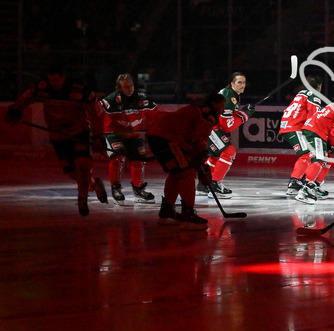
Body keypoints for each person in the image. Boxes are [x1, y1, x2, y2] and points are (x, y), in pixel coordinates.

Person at [5, 65, 108, 216]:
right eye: (51, 80)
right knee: (73, 173)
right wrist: (16, 109)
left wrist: (99, 135)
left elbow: (95, 110)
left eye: (56, 80)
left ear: (63, 77)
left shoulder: (79, 89)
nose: (54, 83)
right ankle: (93, 184)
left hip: (79, 131)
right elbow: (26, 97)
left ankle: (82, 199)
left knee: (83, 164)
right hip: (58, 136)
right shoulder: (42, 86)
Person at [146, 93, 225, 230]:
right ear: (215, 103)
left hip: (157, 135)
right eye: (222, 105)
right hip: (169, 138)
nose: (223, 109)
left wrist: (198, 159)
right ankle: (188, 214)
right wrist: (200, 163)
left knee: (177, 173)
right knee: (187, 173)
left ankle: (167, 212)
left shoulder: (197, 109)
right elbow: (198, 140)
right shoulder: (209, 116)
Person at [294, 86, 334, 203]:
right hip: (315, 132)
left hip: (318, 131)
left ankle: (315, 185)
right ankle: (305, 190)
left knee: (328, 159)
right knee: (319, 159)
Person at [99, 73, 158, 203]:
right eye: (125, 86)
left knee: (139, 160)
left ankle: (138, 189)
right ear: (119, 88)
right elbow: (96, 111)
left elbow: (156, 113)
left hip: (133, 134)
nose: (129, 89)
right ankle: (116, 188)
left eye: (130, 85)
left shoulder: (141, 98)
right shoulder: (111, 100)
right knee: (117, 158)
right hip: (114, 134)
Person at [200, 72, 250, 199]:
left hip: (208, 126)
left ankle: (203, 185)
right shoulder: (229, 95)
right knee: (229, 152)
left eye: (244, 82)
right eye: (239, 82)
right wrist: (245, 116)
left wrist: (242, 113)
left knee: (215, 157)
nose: (242, 85)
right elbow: (226, 125)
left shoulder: (231, 95)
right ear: (232, 83)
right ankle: (215, 184)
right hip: (211, 127)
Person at [279, 74, 327, 196]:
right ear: (319, 86)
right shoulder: (314, 95)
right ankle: (294, 182)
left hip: (288, 126)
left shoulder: (301, 94)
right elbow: (314, 118)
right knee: (306, 154)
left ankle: (298, 180)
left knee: (307, 154)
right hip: (294, 128)